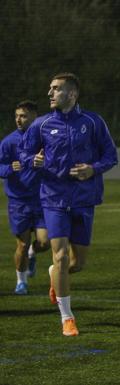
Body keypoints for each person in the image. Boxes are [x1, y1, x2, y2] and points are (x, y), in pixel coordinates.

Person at [21, 72, 118, 336]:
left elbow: (111, 156)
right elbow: (24, 152)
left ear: (72, 94)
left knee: (76, 263)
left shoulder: (93, 122)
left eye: (56, 89)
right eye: (50, 89)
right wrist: (33, 161)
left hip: (84, 199)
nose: (50, 94)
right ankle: (67, 318)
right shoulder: (41, 125)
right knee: (61, 255)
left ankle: (55, 273)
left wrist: (93, 169)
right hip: (53, 197)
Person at [1, 100, 50, 295]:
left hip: (42, 199)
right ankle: (21, 281)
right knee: (22, 243)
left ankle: (32, 254)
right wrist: (8, 169)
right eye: (16, 116)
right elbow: (0, 166)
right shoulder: (8, 142)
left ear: (34, 117)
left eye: (23, 116)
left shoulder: (45, 139)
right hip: (18, 202)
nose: (18, 120)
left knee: (44, 243)